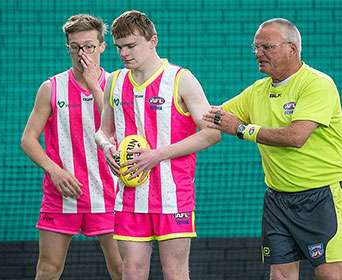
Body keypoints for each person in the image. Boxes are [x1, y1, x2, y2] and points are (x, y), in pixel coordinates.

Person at [203, 18, 342, 280]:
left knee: (330, 274)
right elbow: (211, 116)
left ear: (292, 49)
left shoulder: (316, 84)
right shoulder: (258, 91)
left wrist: (243, 129)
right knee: (280, 275)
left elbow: (296, 136)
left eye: (267, 47)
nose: (258, 53)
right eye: (255, 47)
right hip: (278, 199)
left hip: (322, 196)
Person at [95, 10, 220, 280]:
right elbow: (102, 132)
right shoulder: (114, 82)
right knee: (132, 272)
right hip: (129, 196)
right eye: (119, 47)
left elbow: (212, 134)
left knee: (174, 273)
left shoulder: (180, 78)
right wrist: (107, 148)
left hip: (173, 197)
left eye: (131, 45)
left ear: (153, 40)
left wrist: (156, 156)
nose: (124, 53)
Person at [20, 14, 122, 280]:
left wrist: (92, 84)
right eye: (75, 46)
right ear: (68, 47)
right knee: (49, 269)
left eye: (88, 46)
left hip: (110, 194)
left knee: (123, 269)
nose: (82, 53)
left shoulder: (118, 85)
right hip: (62, 194)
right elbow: (28, 140)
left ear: (102, 46)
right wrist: (54, 170)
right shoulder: (51, 88)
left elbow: (115, 128)